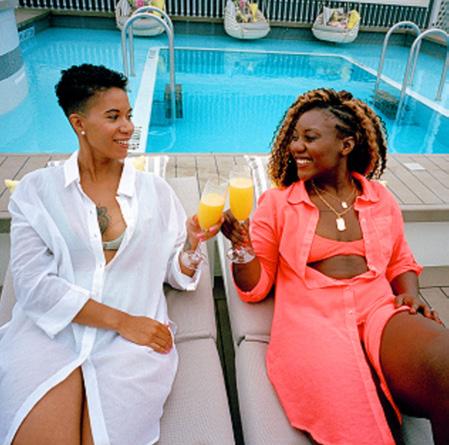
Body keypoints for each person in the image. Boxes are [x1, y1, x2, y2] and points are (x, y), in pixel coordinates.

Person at [0, 64, 219, 445]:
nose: (128, 128)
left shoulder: (156, 193)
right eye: (114, 117)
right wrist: (121, 321)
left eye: (129, 115)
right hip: (51, 334)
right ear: (79, 123)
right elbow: (34, 286)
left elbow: (175, 272)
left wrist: (190, 245)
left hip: (132, 348)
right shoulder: (37, 192)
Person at [221, 88, 449, 445]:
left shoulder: (379, 198)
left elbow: (400, 259)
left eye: (309, 137)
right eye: (294, 137)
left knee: (445, 364)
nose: (296, 146)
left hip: (378, 309)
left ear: (346, 145)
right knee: (357, 427)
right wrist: (242, 247)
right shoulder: (278, 204)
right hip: (313, 320)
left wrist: (410, 293)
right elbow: (255, 287)